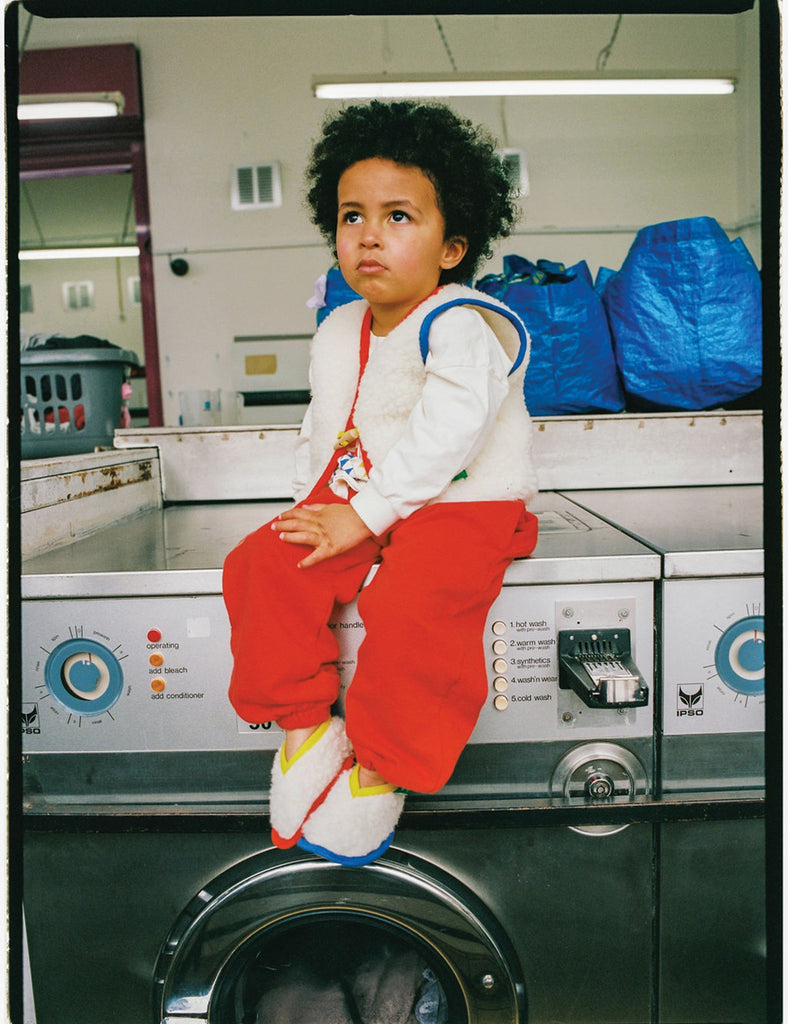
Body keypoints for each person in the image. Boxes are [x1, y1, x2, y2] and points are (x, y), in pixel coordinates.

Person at [223, 100, 539, 866]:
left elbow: (449, 434)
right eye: (351, 215)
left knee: (413, 602)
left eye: (399, 216)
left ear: (453, 245)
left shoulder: (461, 322)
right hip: (363, 502)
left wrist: (364, 519)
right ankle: (306, 728)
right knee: (261, 562)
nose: (368, 235)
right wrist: (314, 511)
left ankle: (380, 771)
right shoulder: (338, 329)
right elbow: (321, 427)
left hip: (465, 504)